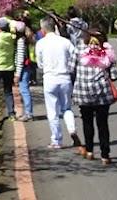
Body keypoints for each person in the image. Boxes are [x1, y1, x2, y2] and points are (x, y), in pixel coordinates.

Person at [69, 28, 117, 165]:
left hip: (83, 92)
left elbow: (70, 68)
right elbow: (114, 75)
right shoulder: (107, 50)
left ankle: (90, 150)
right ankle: (105, 155)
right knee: (102, 124)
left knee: (87, 122)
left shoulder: (79, 48)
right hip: (102, 93)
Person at [35, 17, 80, 150]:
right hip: (65, 77)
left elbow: (40, 63)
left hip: (50, 78)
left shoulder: (41, 43)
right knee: (66, 108)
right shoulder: (65, 42)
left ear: (43, 29)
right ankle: (72, 129)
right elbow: (75, 55)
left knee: (52, 111)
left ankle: (56, 140)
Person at [15, 15, 35, 121]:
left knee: (24, 90)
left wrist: (17, 74)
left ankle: (28, 113)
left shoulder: (21, 40)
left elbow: (20, 58)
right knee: (24, 90)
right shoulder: (27, 37)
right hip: (28, 66)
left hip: (24, 68)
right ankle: (27, 112)